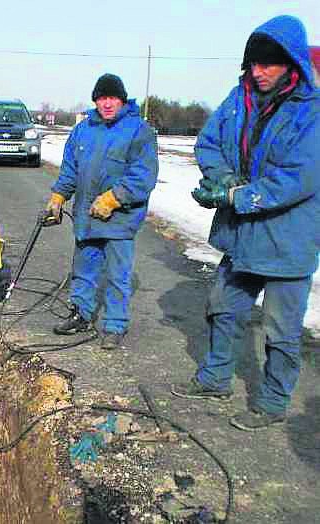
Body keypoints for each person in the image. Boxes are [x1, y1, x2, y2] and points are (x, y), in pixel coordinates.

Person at [171, 15, 320, 431]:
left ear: (291, 63)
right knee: (222, 307)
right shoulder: (239, 98)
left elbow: (298, 178)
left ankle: (272, 402)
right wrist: (220, 177)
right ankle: (216, 378)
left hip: (289, 239)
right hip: (243, 237)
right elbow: (209, 142)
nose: (259, 72)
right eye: (253, 63)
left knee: (280, 330)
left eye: (269, 64)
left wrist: (238, 195)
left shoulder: (312, 113)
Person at [45, 73, 158, 350]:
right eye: (102, 98)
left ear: (122, 100)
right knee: (83, 270)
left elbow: (143, 175)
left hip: (120, 219)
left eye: (112, 98)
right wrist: (59, 196)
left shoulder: (138, 130)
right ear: (95, 101)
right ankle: (81, 315)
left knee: (118, 275)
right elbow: (70, 169)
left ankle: (114, 325)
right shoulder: (82, 131)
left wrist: (114, 198)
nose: (107, 104)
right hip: (87, 216)